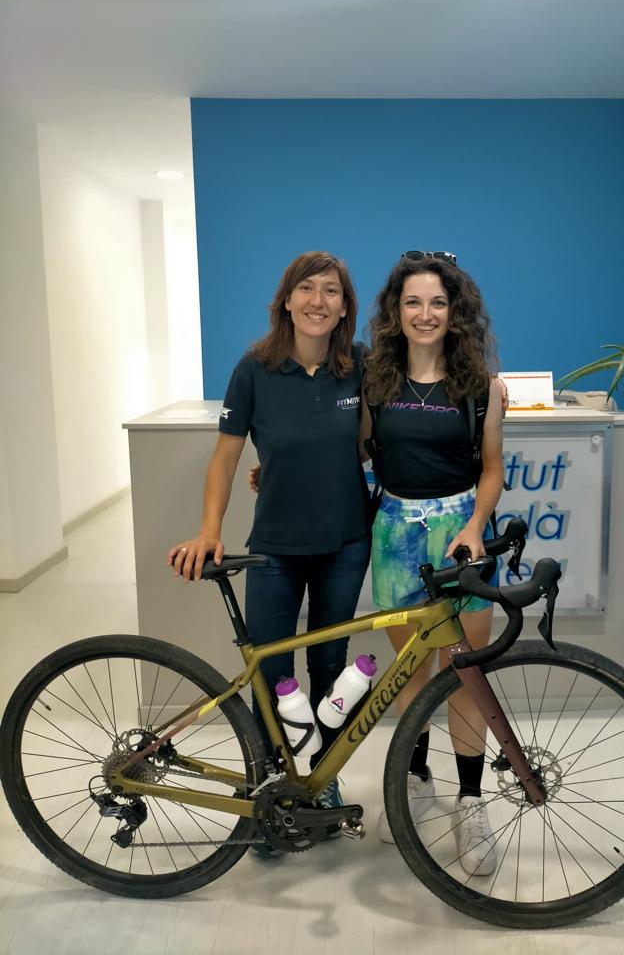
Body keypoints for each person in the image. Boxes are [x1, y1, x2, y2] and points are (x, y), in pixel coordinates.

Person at [167, 250, 371, 857]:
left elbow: (363, 446)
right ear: (286, 300)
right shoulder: (254, 368)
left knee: (330, 668)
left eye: (330, 291)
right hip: (274, 549)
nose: (317, 301)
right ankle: (268, 789)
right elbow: (226, 456)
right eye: (305, 289)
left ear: (344, 306)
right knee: (272, 675)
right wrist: (209, 529)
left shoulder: (359, 365)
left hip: (345, 541)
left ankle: (321, 782)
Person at [361, 251, 504, 876]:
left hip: (461, 537)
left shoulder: (480, 387)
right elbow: (352, 454)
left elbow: (492, 471)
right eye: (413, 302)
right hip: (395, 535)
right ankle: (416, 782)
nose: (425, 314)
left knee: (467, 673)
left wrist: (475, 525)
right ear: (397, 311)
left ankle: (471, 802)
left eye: (438, 303)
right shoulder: (374, 382)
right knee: (411, 669)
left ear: (455, 312)